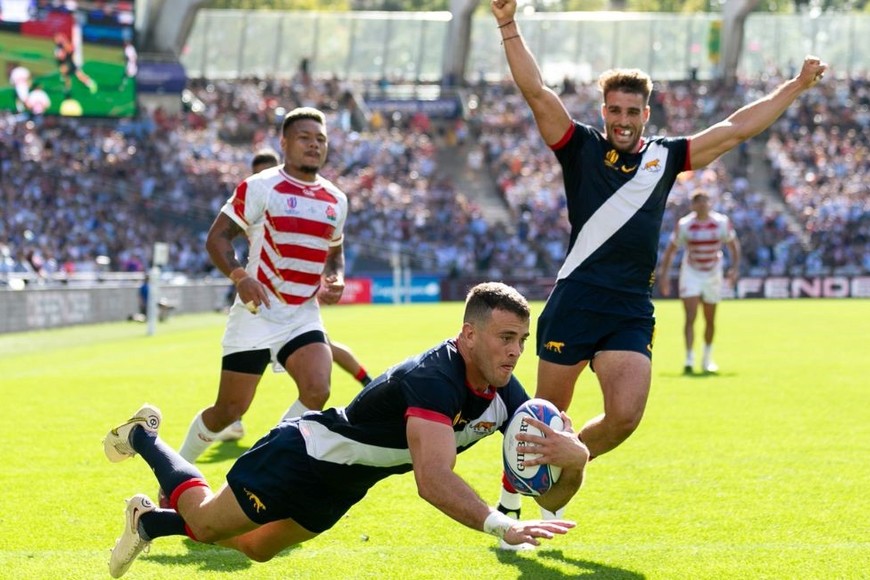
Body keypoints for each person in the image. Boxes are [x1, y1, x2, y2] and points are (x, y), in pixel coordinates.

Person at [489, 0, 826, 535]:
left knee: (624, 417)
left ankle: (563, 468)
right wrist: (508, 23)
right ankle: (511, 503)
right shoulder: (578, 148)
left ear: (647, 114)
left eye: (632, 112)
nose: (622, 120)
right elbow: (536, 92)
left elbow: (736, 129)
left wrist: (795, 86)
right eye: (614, 111)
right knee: (541, 415)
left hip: (628, 307)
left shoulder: (665, 158)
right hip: (574, 299)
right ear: (603, 112)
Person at [102, 282, 590, 578]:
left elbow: (549, 498)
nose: (515, 350)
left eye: (521, 340)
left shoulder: (508, 395)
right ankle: (144, 435)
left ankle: (148, 522)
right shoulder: (433, 379)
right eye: (506, 338)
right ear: (468, 335)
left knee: (257, 549)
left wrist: (575, 461)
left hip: (346, 483)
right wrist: (504, 525)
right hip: (303, 455)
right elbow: (433, 480)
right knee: (208, 523)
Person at [175, 107, 348, 466]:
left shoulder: (336, 199)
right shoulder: (260, 187)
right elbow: (217, 237)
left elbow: (334, 252)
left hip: (302, 314)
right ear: (283, 143)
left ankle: (261, 463)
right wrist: (241, 276)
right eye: (304, 138)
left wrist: (336, 277)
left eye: (321, 139)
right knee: (229, 410)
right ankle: (176, 468)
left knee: (318, 389)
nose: (314, 145)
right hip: (258, 311)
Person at [213, 146, 371, 444]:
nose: (262, 176)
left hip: (298, 306)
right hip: (260, 301)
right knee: (235, 399)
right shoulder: (257, 198)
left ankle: (367, 381)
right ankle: (236, 422)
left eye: (266, 169)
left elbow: (330, 248)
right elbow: (226, 239)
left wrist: (332, 275)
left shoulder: (310, 197)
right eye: (257, 170)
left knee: (323, 361)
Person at [657, 189, 741, 374]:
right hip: (691, 271)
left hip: (713, 272)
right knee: (690, 315)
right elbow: (671, 250)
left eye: (705, 201)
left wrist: (734, 268)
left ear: (710, 203)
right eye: (698, 202)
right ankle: (689, 358)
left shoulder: (721, 222)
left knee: (710, 318)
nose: (702, 205)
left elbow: (733, 245)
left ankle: (707, 359)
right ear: (693, 205)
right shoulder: (685, 224)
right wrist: (664, 276)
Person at [53, 32, 97, 97]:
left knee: (78, 76)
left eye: (57, 39)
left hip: (69, 64)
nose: (55, 40)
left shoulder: (65, 44)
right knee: (66, 75)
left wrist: (63, 54)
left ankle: (91, 84)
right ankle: (67, 89)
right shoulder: (58, 46)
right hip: (65, 64)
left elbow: (70, 51)